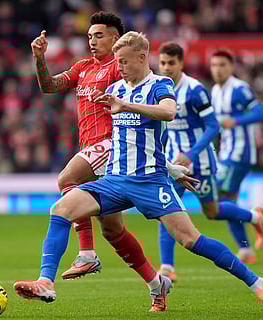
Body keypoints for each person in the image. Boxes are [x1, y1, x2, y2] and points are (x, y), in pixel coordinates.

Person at [14, 31, 263, 316]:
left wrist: (127, 109)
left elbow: (167, 112)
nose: (119, 67)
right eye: (117, 62)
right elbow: (127, 140)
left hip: (149, 183)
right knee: (61, 208)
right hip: (115, 180)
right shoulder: (117, 88)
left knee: (190, 239)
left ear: (142, 58)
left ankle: (258, 284)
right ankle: (46, 282)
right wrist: (173, 167)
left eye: (124, 61)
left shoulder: (159, 84)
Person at [28, 11, 192, 300]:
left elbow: (151, 98)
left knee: (67, 178)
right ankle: (156, 283)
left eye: (99, 35)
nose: (92, 41)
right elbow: (49, 86)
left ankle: (86, 253)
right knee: (113, 231)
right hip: (99, 155)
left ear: (115, 38)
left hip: (110, 144)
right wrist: (40, 58)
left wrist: (162, 160)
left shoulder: (120, 69)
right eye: (90, 36)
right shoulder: (82, 68)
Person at [156, 42, 263, 281]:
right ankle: (167, 267)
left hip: (201, 162)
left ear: (181, 63)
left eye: (171, 63)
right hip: (174, 161)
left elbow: (213, 127)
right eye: (163, 63)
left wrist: (191, 153)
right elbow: (166, 127)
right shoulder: (158, 88)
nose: (166, 67)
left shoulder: (195, 90)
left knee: (214, 210)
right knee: (164, 206)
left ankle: (254, 219)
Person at [210, 50, 263, 263]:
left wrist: (236, 121)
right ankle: (245, 249)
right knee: (228, 203)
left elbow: (260, 112)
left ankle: (255, 218)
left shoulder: (239, 89)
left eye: (222, 65)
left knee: (216, 201)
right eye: (214, 65)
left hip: (240, 153)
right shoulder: (215, 91)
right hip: (225, 153)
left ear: (231, 67)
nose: (217, 70)